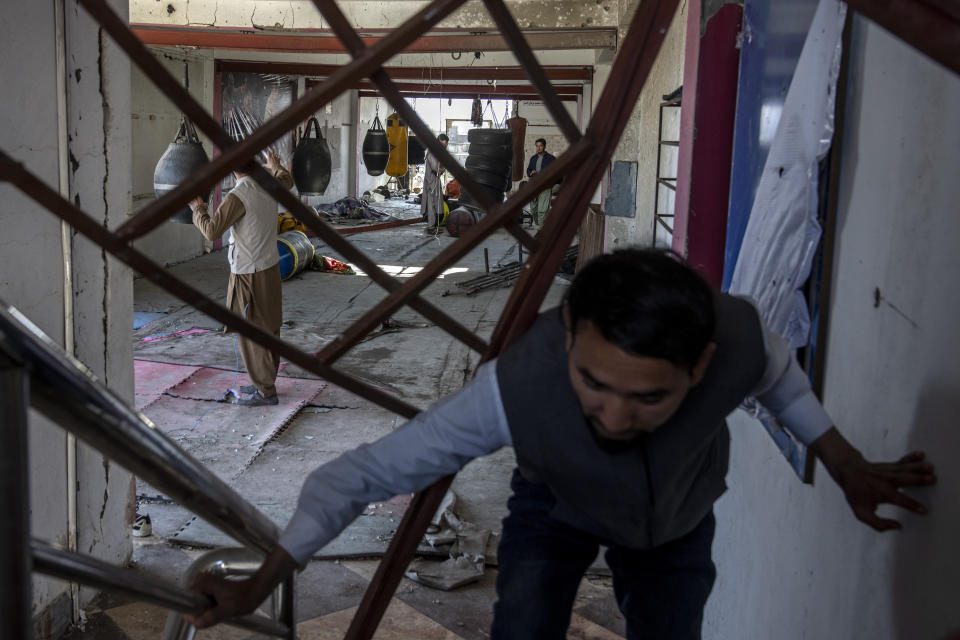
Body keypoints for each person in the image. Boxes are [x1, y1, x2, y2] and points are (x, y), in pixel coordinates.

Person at [185, 248, 935, 638]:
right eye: (593, 382)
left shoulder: (736, 338)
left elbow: (781, 380)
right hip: (557, 504)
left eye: (649, 397)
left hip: (675, 519)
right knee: (524, 624)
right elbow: (355, 476)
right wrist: (267, 578)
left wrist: (844, 462)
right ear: (570, 335)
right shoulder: (516, 388)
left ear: (700, 367)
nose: (612, 418)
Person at [188, 151, 293, 407]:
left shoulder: (239, 195)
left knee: (252, 332)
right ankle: (263, 382)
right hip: (269, 267)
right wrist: (276, 167)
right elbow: (287, 181)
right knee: (269, 327)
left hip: (249, 273)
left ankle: (265, 391)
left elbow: (212, 230)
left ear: (233, 171)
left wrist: (197, 210)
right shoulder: (268, 184)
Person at [421, 133, 449, 234]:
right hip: (431, 180)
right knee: (431, 204)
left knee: (437, 204)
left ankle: (435, 226)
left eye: (446, 145)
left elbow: (441, 167)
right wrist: (442, 169)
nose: (444, 147)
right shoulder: (432, 151)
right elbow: (435, 168)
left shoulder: (438, 152)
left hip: (436, 179)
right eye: (443, 145)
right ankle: (431, 227)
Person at [525, 138, 556, 227]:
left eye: (540, 146)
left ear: (544, 147)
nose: (538, 148)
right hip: (534, 187)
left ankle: (540, 230)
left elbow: (556, 171)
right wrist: (530, 173)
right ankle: (540, 225)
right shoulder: (533, 158)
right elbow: (528, 169)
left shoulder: (551, 159)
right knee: (534, 210)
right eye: (537, 146)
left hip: (545, 187)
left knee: (542, 210)